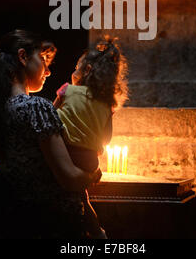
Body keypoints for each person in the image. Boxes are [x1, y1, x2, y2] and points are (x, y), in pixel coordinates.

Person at [0, 29, 101, 239]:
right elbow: (70, 178)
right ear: (23, 57)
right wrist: (94, 174)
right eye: (43, 59)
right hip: (55, 224)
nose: (48, 71)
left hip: (21, 222)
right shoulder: (35, 107)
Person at [53, 36, 128, 239]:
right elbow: (107, 137)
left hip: (64, 154)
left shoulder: (66, 90)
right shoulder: (107, 104)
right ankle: (98, 233)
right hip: (88, 160)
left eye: (77, 67)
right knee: (82, 198)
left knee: (70, 196)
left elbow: (49, 119)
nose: (73, 71)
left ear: (86, 71)